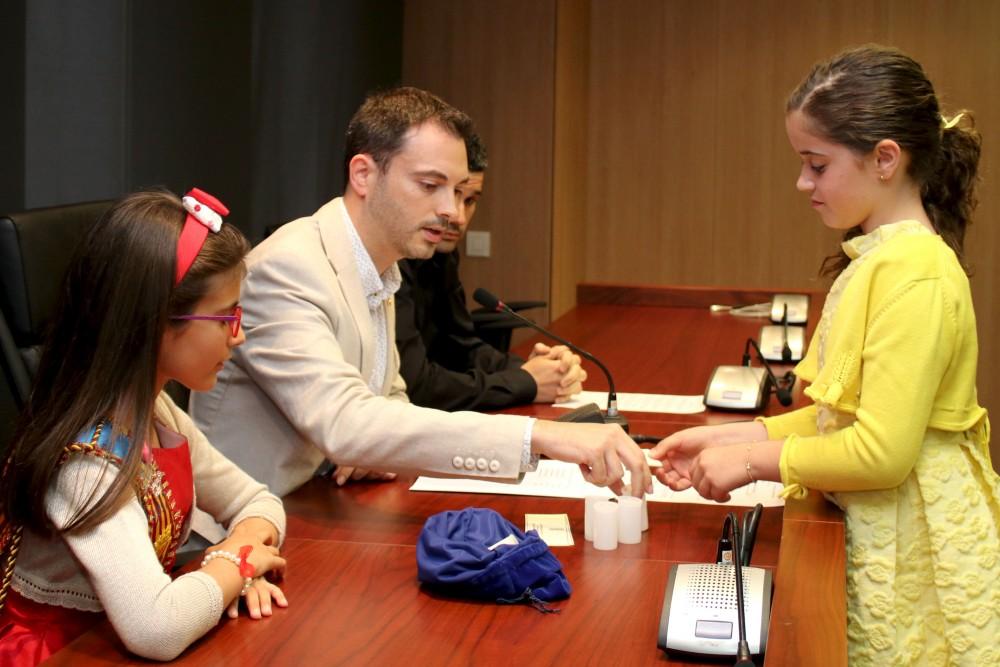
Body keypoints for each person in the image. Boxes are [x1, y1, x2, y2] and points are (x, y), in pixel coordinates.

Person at [650, 45, 1000, 664]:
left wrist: (757, 461)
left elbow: (881, 452)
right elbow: (836, 417)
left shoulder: (915, 274)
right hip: (888, 521)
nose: (803, 183)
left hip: (917, 542)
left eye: (817, 164)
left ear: (885, 158)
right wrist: (732, 438)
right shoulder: (881, 259)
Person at [190, 86, 650, 498]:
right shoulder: (290, 267)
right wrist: (539, 437)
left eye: (457, 191)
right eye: (430, 186)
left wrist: (371, 447)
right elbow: (346, 421)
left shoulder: (380, 264)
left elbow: (388, 397)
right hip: (238, 531)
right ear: (364, 174)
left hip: (318, 506)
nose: (451, 211)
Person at [0, 189, 288, 664]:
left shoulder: (157, 412)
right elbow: (157, 629)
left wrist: (233, 560)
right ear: (156, 323)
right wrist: (239, 563)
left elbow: (258, 501)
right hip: (64, 652)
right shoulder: (86, 463)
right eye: (225, 317)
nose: (238, 334)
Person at [396, 131, 586, 411]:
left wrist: (534, 368)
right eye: (447, 193)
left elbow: (460, 347)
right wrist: (524, 381)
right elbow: (417, 386)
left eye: (470, 200)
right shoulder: (389, 259)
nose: (458, 217)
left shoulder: (441, 254)